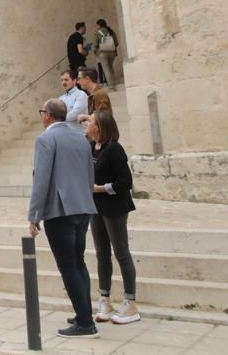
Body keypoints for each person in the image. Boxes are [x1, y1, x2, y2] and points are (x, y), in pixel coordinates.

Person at [28, 98, 98, 338]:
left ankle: (86, 323)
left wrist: (34, 214)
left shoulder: (46, 139)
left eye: (42, 112)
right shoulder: (80, 138)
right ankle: (84, 313)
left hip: (60, 209)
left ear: (47, 115)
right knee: (79, 262)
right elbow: (90, 173)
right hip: (83, 206)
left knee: (68, 265)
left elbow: (41, 179)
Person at [88, 110, 140, 324]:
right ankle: (105, 298)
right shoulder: (92, 147)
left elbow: (125, 182)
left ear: (99, 126)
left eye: (90, 121)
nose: (87, 123)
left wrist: (100, 188)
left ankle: (130, 302)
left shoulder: (114, 149)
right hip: (96, 208)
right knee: (102, 253)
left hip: (115, 207)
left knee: (121, 252)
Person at [94, 19, 120, 90]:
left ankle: (111, 86)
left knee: (106, 69)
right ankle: (114, 82)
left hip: (103, 53)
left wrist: (95, 51)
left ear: (99, 25)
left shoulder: (98, 32)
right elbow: (116, 42)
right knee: (110, 67)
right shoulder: (111, 31)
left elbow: (96, 44)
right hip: (112, 52)